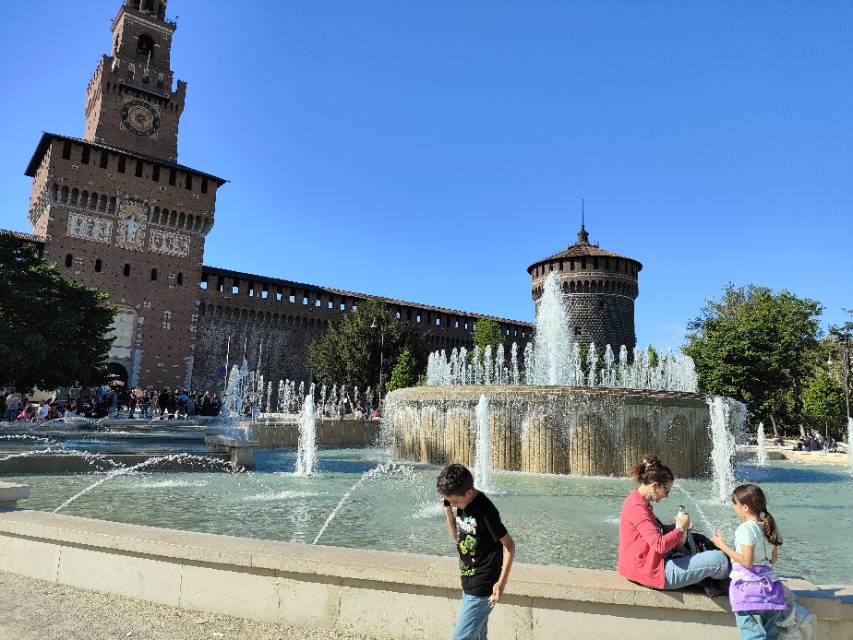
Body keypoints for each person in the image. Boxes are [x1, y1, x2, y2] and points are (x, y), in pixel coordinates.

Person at [618, 454, 729, 591]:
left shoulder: (638, 501)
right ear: (655, 486)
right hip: (652, 572)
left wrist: (675, 527)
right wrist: (679, 529)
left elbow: (650, 533)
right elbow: (659, 545)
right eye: (666, 491)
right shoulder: (638, 508)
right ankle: (728, 583)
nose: (666, 496)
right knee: (719, 560)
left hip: (647, 566)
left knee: (699, 541)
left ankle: (709, 578)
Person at [437, 464, 516, 640]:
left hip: (483, 585)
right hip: (468, 581)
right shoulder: (462, 500)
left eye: (454, 501)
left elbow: (509, 546)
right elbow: (456, 536)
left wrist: (501, 584)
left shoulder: (485, 511)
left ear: (469, 493)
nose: (453, 504)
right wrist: (447, 507)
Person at [712, 484, 786, 640]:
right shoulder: (767, 527)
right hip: (771, 591)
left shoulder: (745, 529)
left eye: (735, 504)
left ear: (745, 507)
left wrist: (722, 545)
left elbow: (747, 562)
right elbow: (773, 560)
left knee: (752, 636)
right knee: (770, 635)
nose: (734, 508)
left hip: (749, 592)